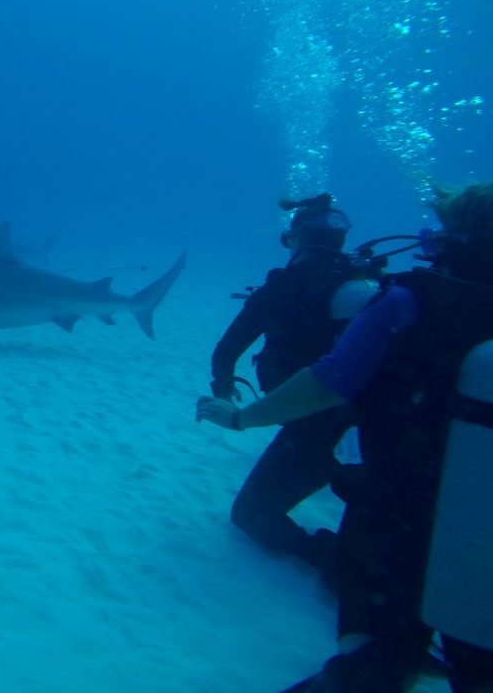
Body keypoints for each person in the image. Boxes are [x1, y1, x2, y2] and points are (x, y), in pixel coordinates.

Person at [196, 183, 493, 693]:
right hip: (464, 498)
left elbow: (328, 379)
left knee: (370, 644)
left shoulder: (405, 298)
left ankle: (342, 582)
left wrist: (238, 414)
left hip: (391, 492)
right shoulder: (370, 283)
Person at [210, 193, 381, 577]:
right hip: (384, 427)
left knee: (252, 514)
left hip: (314, 428)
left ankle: (337, 563)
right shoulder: (375, 286)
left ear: (296, 239)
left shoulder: (280, 289)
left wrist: (223, 389)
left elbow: (225, 352)